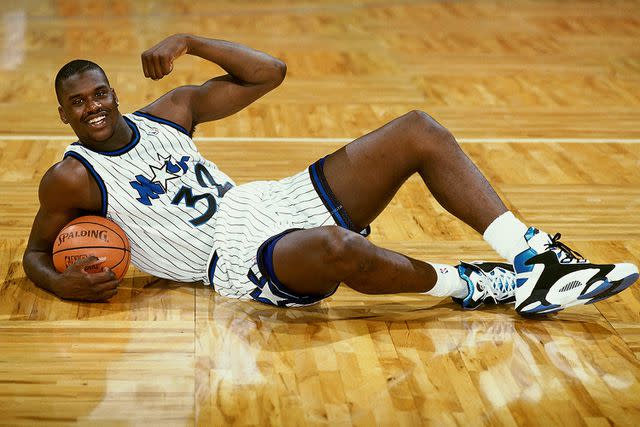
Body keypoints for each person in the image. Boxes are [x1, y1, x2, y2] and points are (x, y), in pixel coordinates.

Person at [22, 33, 638, 315]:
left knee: (418, 128)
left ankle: (533, 259)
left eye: (100, 94)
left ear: (113, 91)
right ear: (63, 114)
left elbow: (270, 72)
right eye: (79, 103)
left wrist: (190, 41)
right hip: (231, 260)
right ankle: (478, 285)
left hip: (268, 201)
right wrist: (60, 284)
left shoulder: (169, 113)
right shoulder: (72, 177)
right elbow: (33, 254)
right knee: (339, 248)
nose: (94, 107)